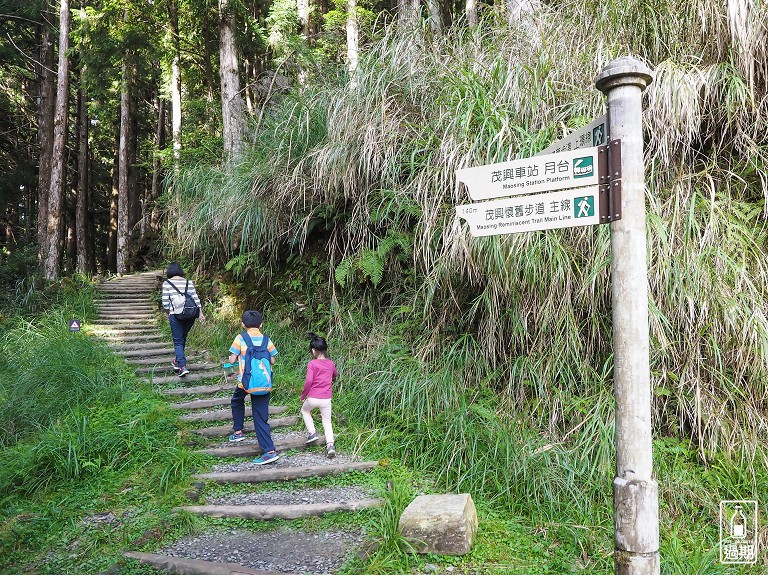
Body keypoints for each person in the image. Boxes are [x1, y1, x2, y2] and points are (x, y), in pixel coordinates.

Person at [228, 310, 280, 465]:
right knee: (260, 417)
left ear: (243, 324)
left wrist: (236, 357)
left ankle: (238, 431)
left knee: (237, 401)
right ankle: (269, 450)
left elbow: (231, 361)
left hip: (245, 382)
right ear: (261, 324)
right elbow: (273, 360)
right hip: (263, 383)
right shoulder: (266, 339)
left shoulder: (240, 338)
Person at [162, 262, 205, 377]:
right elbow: (196, 298)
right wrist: (200, 313)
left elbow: (165, 302)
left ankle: (182, 366)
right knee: (182, 337)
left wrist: (167, 313)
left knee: (178, 340)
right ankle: (177, 361)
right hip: (190, 314)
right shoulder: (188, 282)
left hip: (175, 315)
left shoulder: (167, 284)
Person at [300, 333, 338, 458]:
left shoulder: (312, 364)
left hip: (313, 397)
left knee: (305, 411)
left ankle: (312, 433)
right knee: (327, 421)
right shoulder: (331, 363)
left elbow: (309, 381)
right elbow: (335, 375)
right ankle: (330, 445)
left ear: (313, 350)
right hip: (326, 399)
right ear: (325, 349)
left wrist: (303, 395)